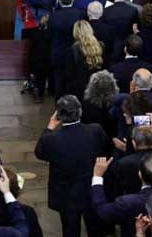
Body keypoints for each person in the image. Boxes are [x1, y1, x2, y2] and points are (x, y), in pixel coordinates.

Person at [35, 95, 107, 237]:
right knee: (96, 230)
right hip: (90, 191)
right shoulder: (95, 130)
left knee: (70, 231)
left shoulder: (51, 139)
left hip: (66, 195)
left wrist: (49, 127)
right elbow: (104, 146)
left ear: (58, 116)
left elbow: (39, 153)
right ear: (80, 111)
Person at [65, 20, 104, 98]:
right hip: (96, 89)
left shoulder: (72, 50)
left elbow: (69, 73)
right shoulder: (101, 46)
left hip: (79, 90)